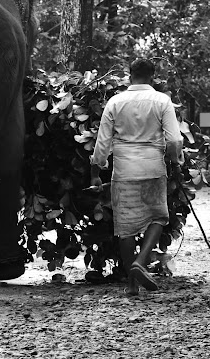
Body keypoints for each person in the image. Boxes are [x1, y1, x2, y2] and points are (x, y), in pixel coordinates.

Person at [89, 58, 184, 296]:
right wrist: (176, 162)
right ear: (152, 77)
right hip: (153, 169)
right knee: (158, 217)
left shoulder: (115, 102)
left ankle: (131, 284)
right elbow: (173, 140)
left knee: (126, 228)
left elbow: (102, 144)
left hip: (124, 171)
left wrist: (95, 173)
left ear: (130, 75)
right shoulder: (162, 101)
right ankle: (140, 263)